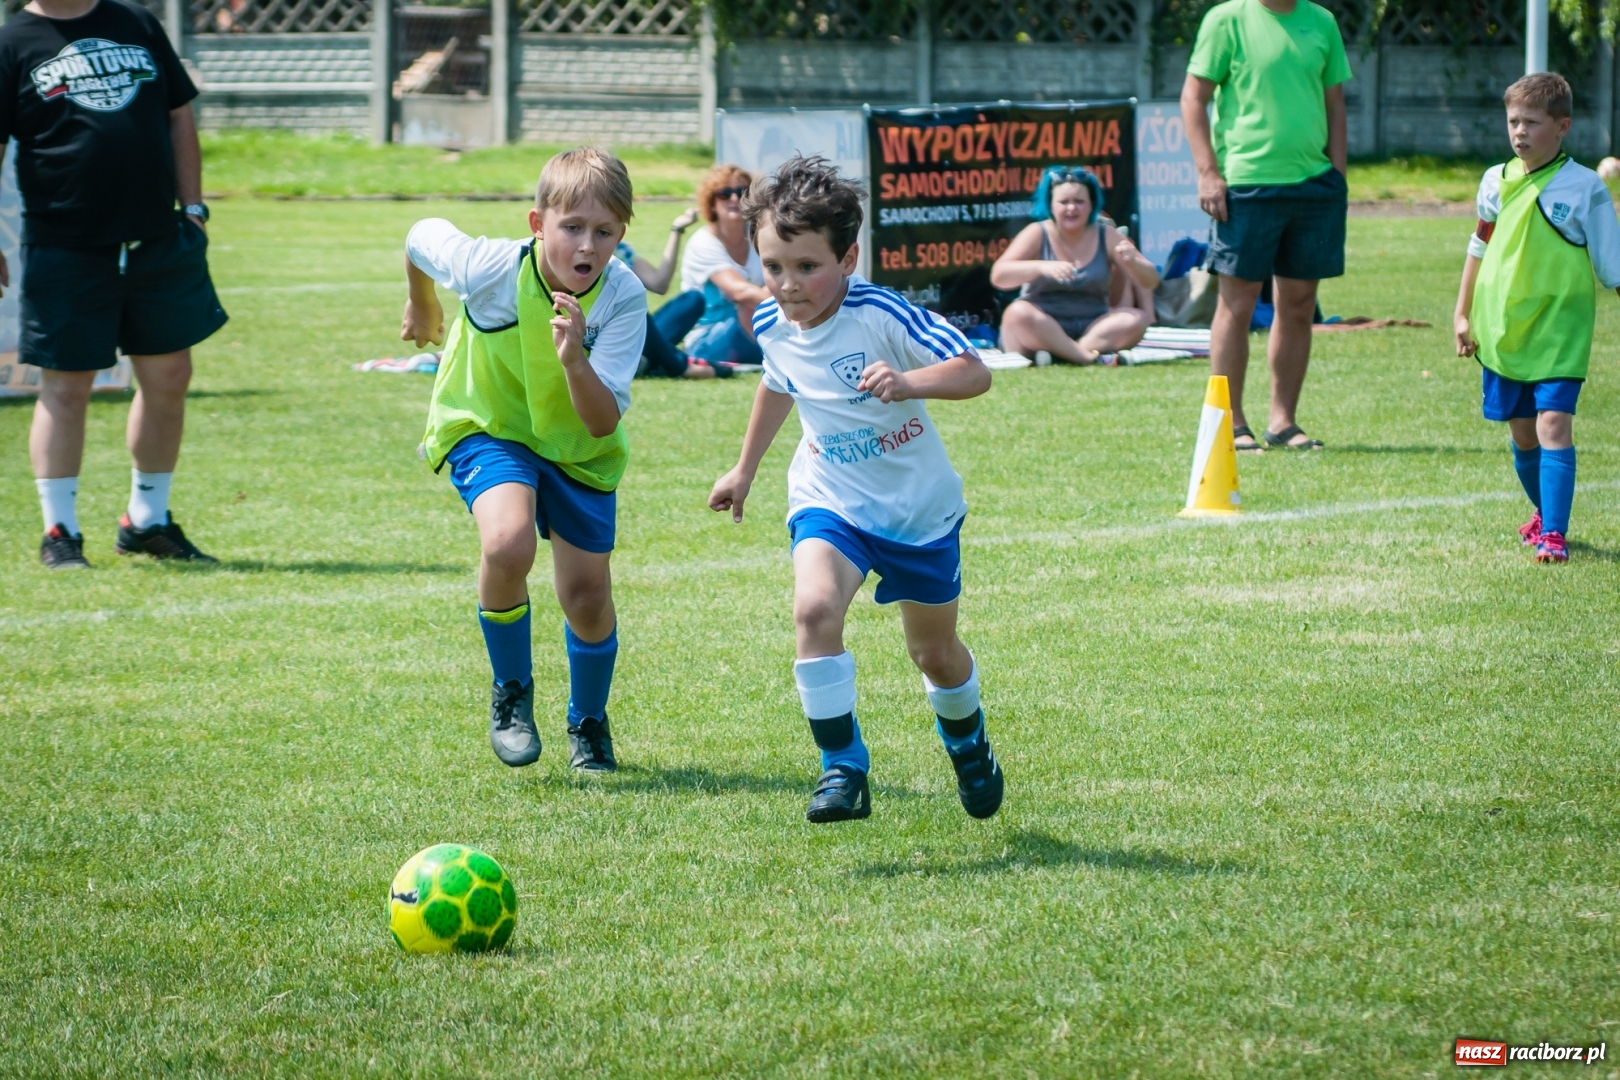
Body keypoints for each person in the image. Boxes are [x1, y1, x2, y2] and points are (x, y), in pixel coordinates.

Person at [708, 157, 1003, 824]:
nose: (788, 285)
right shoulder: (770, 322)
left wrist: (910, 383)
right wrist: (744, 469)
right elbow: (780, 383)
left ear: (849, 257)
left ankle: (967, 741)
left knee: (933, 652)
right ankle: (842, 768)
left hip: (915, 510)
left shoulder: (880, 313)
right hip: (829, 498)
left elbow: (973, 371)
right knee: (813, 611)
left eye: (808, 267)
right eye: (774, 267)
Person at [402, 148, 646, 771]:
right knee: (508, 543)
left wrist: (573, 359)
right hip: (491, 426)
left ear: (622, 234)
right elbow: (419, 235)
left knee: (586, 597)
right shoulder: (488, 266)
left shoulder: (622, 297)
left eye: (605, 232)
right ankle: (511, 695)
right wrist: (422, 302)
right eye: (572, 227)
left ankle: (587, 723)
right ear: (538, 224)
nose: (587, 245)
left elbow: (600, 420)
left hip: (577, 445)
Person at [4, 0, 229, 568]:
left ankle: (147, 520)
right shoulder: (14, 41)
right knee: (66, 386)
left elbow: (178, 113)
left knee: (169, 375)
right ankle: (60, 531)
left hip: (156, 236)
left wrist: (194, 208)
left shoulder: (135, 22)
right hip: (66, 241)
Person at [1453, 73, 1620, 565]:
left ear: (1562, 126)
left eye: (1532, 122)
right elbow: (1479, 245)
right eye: (1513, 122)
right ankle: (1544, 515)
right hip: (1503, 327)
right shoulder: (1495, 181)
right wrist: (1461, 313)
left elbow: (1612, 265)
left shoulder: (1585, 187)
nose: (1520, 132)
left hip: (1559, 331)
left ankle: (1553, 535)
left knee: (1552, 425)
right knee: (1522, 434)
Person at [1181, 0, 1350, 450]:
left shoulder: (1322, 21)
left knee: (1298, 304)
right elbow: (1193, 97)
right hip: (1247, 186)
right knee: (1236, 305)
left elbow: (1334, 104)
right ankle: (1232, 424)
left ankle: (1283, 422)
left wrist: (1337, 175)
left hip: (1315, 188)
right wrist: (1208, 172)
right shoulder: (1226, 20)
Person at [990, 165, 1160, 364]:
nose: (1072, 208)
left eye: (1079, 201)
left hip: (1093, 325)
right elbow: (999, 276)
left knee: (1136, 320)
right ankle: (1084, 357)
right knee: (1017, 314)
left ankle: (1064, 354)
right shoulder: (1037, 232)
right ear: (1051, 205)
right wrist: (1041, 267)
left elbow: (1151, 281)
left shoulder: (1106, 234)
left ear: (1091, 205)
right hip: (1043, 323)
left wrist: (1133, 263)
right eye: (1064, 202)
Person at [680, 163, 772, 368]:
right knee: (749, 306)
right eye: (724, 193)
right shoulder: (702, 242)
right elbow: (739, 292)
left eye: (742, 192)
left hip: (751, 326)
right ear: (712, 203)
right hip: (705, 339)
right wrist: (790, 300)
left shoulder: (760, 235)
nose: (734, 199)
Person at [614, 206, 719, 379]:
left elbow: (659, 283)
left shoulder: (620, 250)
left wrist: (677, 230)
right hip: (605, 336)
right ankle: (674, 364)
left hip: (634, 334)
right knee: (633, 305)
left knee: (693, 300)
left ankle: (645, 361)